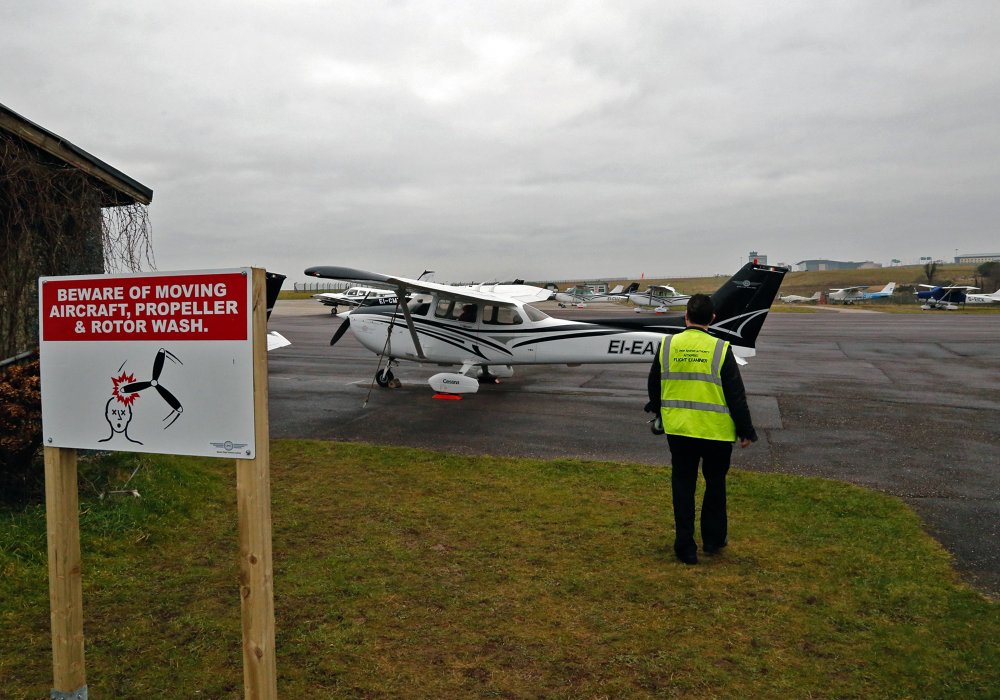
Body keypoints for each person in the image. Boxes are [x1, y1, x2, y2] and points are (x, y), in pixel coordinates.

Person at [646, 293, 757, 565]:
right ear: (713, 319)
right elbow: (735, 394)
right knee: (715, 484)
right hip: (715, 432)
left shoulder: (668, 345)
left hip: (680, 430)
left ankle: (685, 546)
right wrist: (746, 430)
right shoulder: (721, 348)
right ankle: (713, 539)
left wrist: (659, 411)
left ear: (686, 316)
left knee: (683, 485)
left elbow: (654, 384)